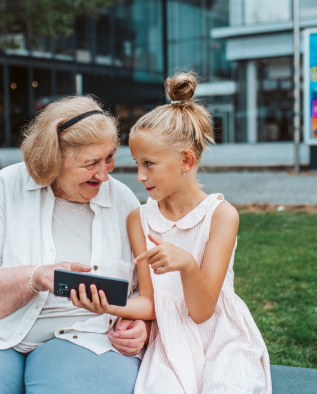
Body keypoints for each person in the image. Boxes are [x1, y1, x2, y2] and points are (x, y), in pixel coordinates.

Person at [0, 96, 151, 394]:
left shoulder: (123, 201)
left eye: (109, 158)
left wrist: (140, 323)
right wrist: (36, 277)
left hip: (88, 337)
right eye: (91, 163)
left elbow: (143, 288)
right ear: (53, 158)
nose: (104, 174)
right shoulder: (6, 186)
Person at [72, 72, 272, 393]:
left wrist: (187, 264)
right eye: (137, 163)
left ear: (186, 161)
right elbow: (151, 301)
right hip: (169, 338)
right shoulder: (140, 219)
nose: (139, 175)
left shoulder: (221, 216)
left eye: (149, 163)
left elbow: (203, 311)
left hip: (221, 337)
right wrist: (107, 305)